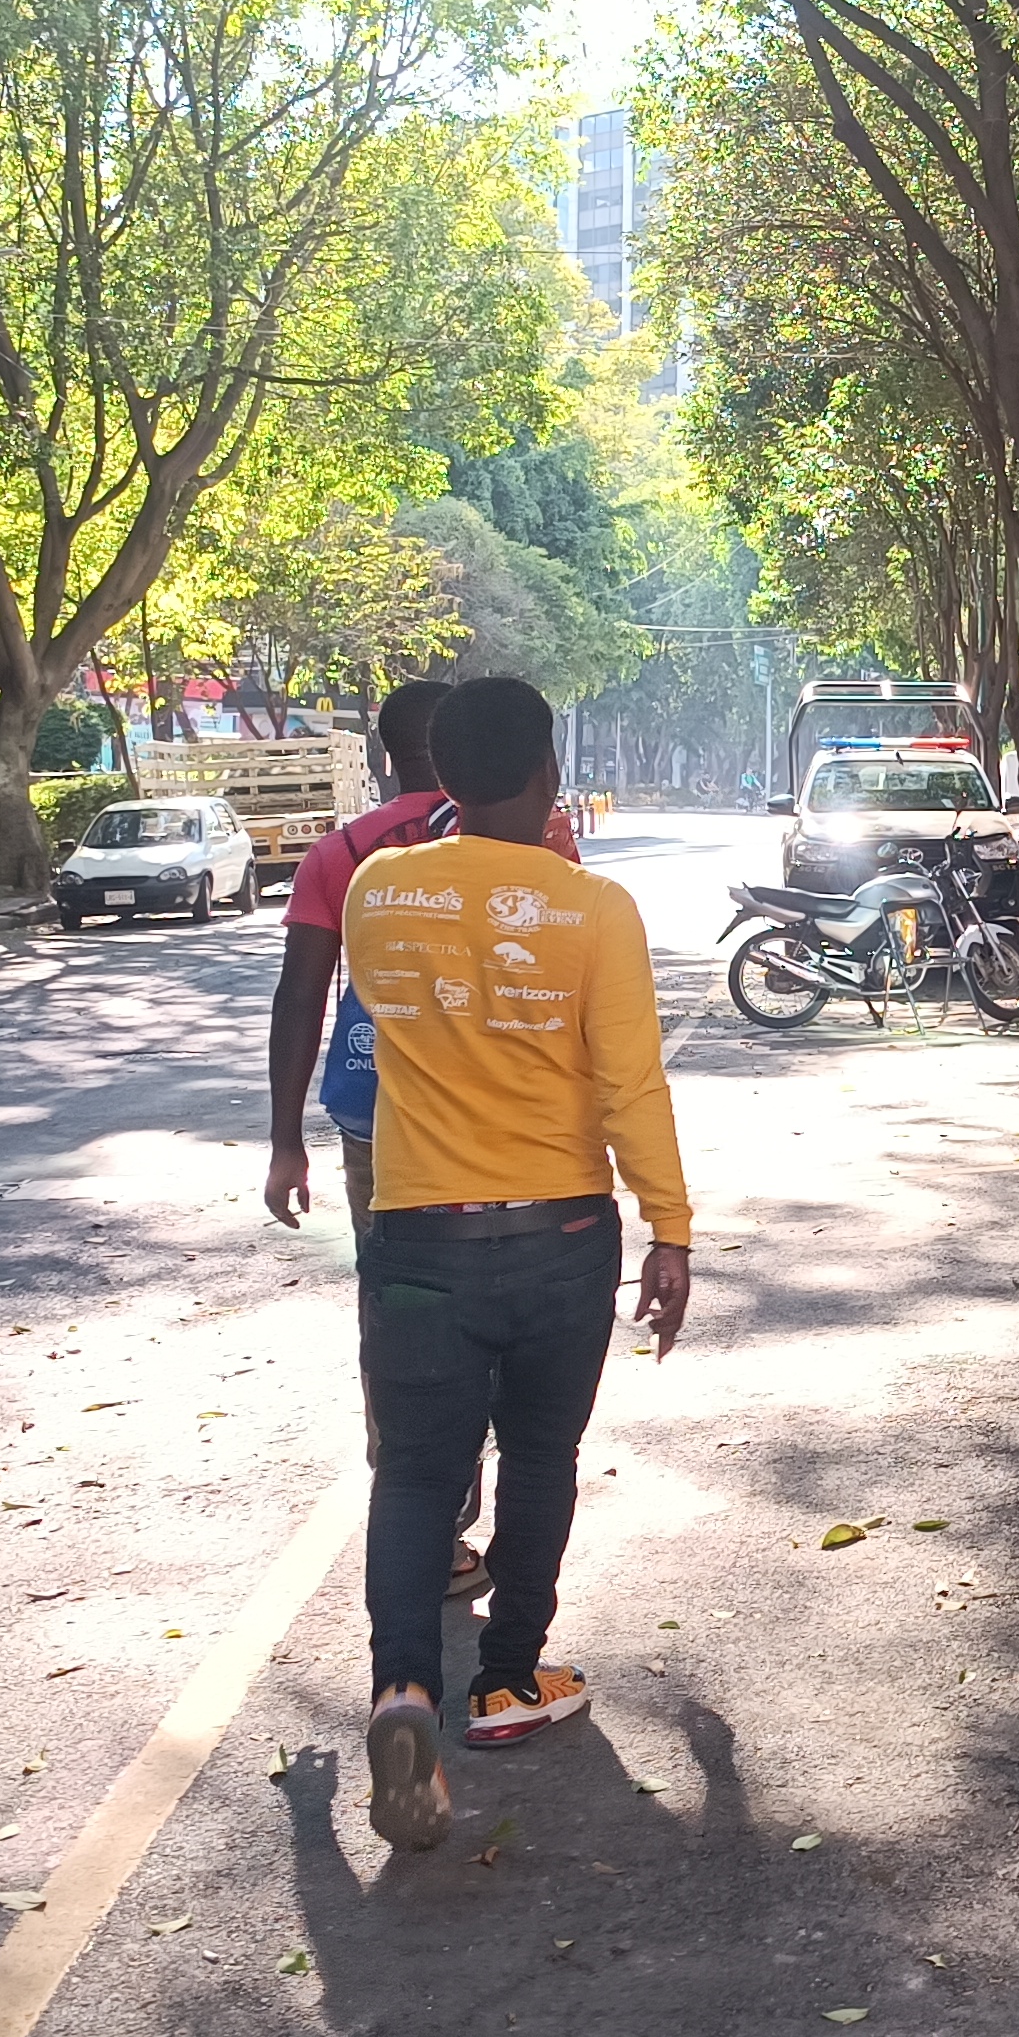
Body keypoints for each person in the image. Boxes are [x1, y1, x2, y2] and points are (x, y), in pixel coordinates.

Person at [347, 675, 693, 1851]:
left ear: (440, 777)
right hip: (559, 1237)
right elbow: (627, 1082)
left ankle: (404, 1694)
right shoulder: (595, 909)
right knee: (544, 1451)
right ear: (548, 775)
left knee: (411, 1479)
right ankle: (506, 1682)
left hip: (417, 1237)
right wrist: (672, 1226)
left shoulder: (377, 890)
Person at [264, 682, 488, 1596]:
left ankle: (420, 1519)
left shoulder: (339, 854)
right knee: (499, 1300)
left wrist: (285, 1141)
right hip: (493, 1116)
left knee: (397, 1308)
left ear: (386, 747)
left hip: (378, 1126)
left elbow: (301, 995)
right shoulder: (513, 834)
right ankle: (481, 1503)